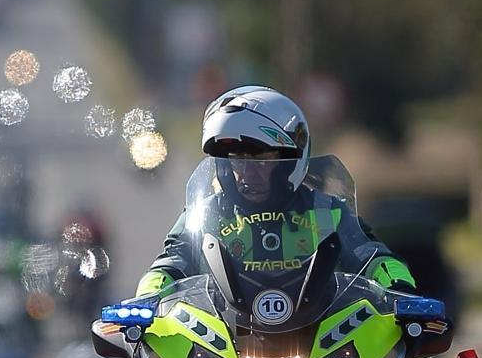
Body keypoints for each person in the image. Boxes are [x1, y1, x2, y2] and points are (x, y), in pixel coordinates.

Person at [136, 85, 417, 298]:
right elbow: (170, 262)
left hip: (320, 351)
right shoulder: (205, 215)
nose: (247, 171)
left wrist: (400, 287)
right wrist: (147, 296)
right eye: (236, 158)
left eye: (261, 158)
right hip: (222, 351)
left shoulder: (326, 212)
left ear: (289, 162)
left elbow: (373, 256)